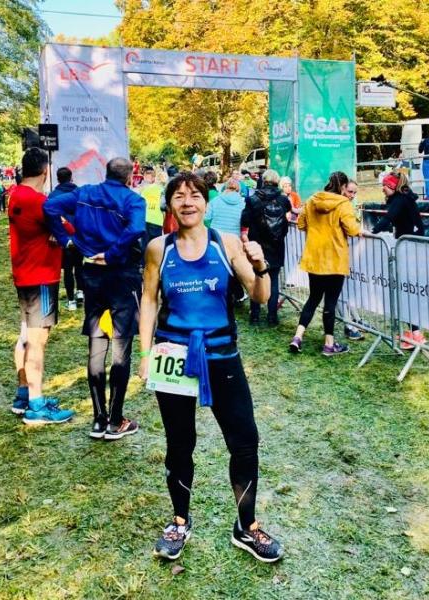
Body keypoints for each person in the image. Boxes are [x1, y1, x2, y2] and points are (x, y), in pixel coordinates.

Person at [138, 171, 283, 563]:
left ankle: (247, 526)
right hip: (173, 357)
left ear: (206, 201)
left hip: (222, 356)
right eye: (179, 196)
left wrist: (261, 266)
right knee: (179, 443)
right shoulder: (158, 249)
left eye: (195, 195)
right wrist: (145, 353)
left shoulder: (226, 243)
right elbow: (149, 300)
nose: (187, 202)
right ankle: (179, 521)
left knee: (245, 441)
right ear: (169, 205)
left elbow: (259, 294)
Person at [44, 157, 145, 441]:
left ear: (106, 173)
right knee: (122, 346)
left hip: (92, 275)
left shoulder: (85, 193)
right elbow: (137, 229)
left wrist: (67, 241)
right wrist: (112, 254)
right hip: (122, 276)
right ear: (130, 177)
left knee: (97, 344)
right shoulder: (132, 200)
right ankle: (115, 420)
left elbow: (50, 207)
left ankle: (99, 419)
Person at [8, 148, 75, 424]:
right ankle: (36, 405)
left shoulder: (15, 195)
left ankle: (24, 394)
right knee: (38, 340)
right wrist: (58, 229)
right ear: (46, 171)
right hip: (42, 277)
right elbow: (68, 229)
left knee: (25, 335)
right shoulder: (39, 201)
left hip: (24, 273)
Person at [288, 172, 361, 356]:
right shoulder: (343, 204)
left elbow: (300, 224)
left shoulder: (312, 200)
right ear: (343, 187)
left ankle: (298, 336)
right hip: (335, 260)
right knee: (330, 302)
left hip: (314, 258)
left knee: (313, 299)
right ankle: (329, 344)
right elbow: (353, 230)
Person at [371, 172, 426, 350]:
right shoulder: (403, 199)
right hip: (408, 245)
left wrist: (372, 232)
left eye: (385, 186)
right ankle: (412, 331)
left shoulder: (401, 200)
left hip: (409, 247)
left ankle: (416, 333)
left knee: (406, 290)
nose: (382, 189)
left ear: (393, 186)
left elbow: (388, 218)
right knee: (404, 290)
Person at [240, 169, 291, 326]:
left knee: (257, 277)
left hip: (257, 245)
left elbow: (245, 220)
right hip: (276, 244)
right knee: (274, 281)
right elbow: (287, 218)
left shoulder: (253, 199)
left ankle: (255, 315)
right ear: (277, 181)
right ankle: (272, 316)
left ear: (263, 180)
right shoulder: (283, 199)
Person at [53, 167, 84, 311]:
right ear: (71, 178)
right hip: (79, 235)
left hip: (64, 237)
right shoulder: (80, 193)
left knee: (67, 269)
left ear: (58, 179)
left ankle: (71, 301)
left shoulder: (53, 196)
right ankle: (80, 292)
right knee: (79, 265)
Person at [338, 180, 365, 341]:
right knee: (339, 290)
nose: (352, 195)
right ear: (342, 189)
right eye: (350, 192)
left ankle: (355, 319)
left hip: (343, 251)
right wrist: (358, 230)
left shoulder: (347, 204)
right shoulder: (340, 205)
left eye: (355, 192)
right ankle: (348, 325)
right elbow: (350, 227)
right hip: (336, 253)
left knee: (346, 288)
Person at [139, 166, 165, 244]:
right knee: (155, 245)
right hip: (157, 220)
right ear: (154, 178)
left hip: (145, 220)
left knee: (145, 245)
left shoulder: (142, 190)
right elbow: (163, 206)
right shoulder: (161, 189)